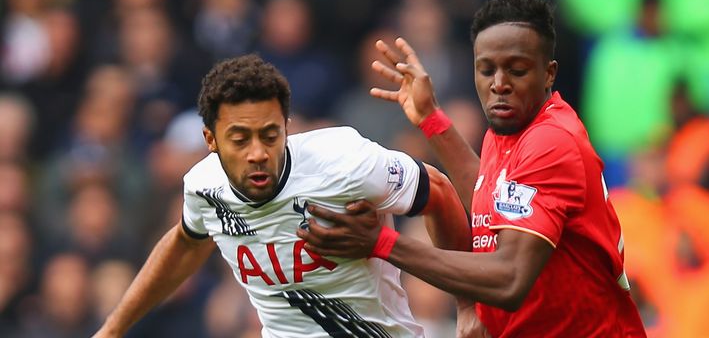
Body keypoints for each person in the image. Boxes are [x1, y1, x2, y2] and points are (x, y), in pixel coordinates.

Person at [298, 0, 647, 337]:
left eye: (517, 70)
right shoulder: (511, 127)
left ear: (549, 73)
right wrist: (430, 119)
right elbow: (488, 200)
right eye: (486, 69)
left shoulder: (551, 142)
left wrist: (382, 243)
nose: (499, 84)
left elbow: (509, 280)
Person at [93, 54, 475, 337]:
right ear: (210, 139)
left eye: (271, 135)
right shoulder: (204, 187)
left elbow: (438, 192)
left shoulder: (344, 163)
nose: (258, 153)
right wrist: (112, 330)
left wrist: (468, 305)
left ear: (286, 127)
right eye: (240, 139)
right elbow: (185, 243)